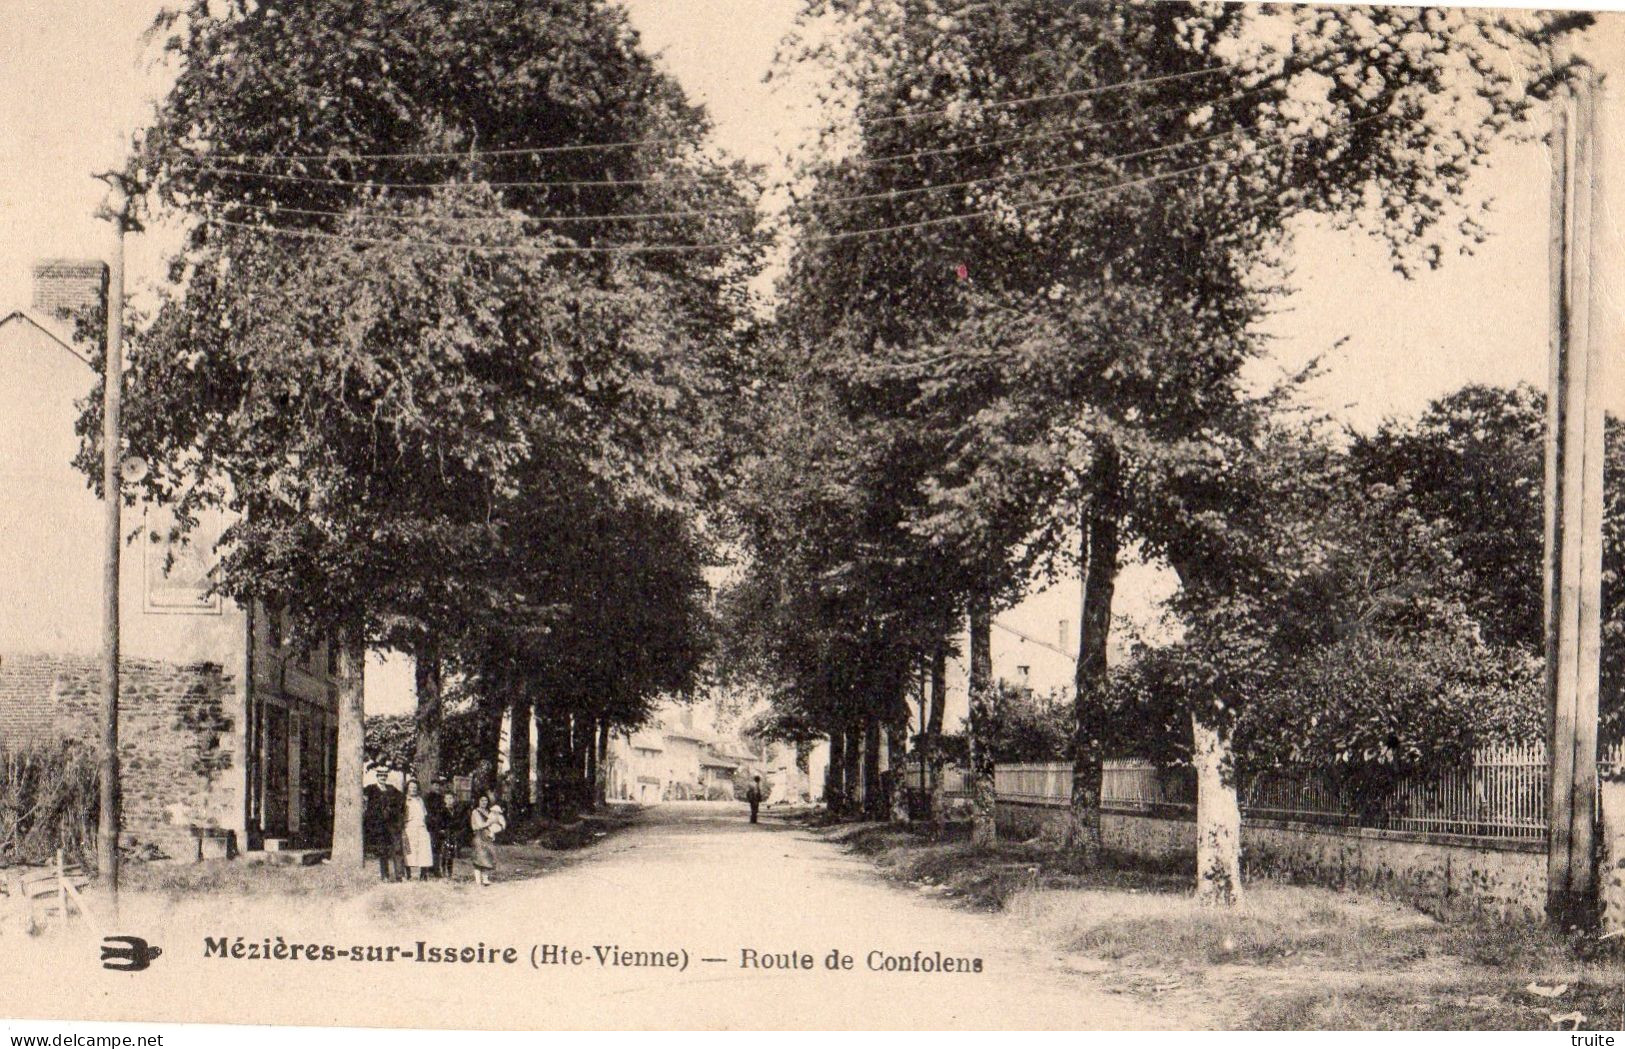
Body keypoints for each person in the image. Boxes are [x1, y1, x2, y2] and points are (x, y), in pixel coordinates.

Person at [363, 767, 405, 881]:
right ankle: (385, 875)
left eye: (385, 775)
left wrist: (395, 812)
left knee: (396, 848)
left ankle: (399, 875)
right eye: (380, 775)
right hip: (378, 824)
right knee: (383, 850)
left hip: (391, 823)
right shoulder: (371, 788)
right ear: (377, 776)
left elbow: (402, 798)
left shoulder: (391, 788)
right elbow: (362, 797)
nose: (383, 777)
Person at [402, 779, 435, 880]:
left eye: (415, 788)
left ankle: (423, 874)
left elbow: (424, 814)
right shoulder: (404, 800)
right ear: (407, 788)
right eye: (411, 787)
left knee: (424, 850)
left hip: (421, 827)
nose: (413, 789)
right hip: (409, 827)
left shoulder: (420, 800)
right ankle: (408, 874)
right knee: (409, 851)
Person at [436, 787, 466, 879]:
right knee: (444, 854)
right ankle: (443, 872)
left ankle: (450, 873)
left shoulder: (456, 811)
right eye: (447, 798)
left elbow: (459, 823)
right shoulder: (441, 811)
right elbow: (439, 823)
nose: (449, 800)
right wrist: (442, 830)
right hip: (445, 835)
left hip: (453, 834)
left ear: (454, 799)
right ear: (444, 800)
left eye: (451, 798)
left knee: (451, 855)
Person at [469, 794, 497, 887]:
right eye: (482, 800)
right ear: (478, 801)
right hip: (479, 835)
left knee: (487, 857)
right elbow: (480, 825)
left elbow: (493, 825)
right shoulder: (475, 812)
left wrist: (492, 832)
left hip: (487, 836)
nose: (484, 802)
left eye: (485, 800)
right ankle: (478, 880)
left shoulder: (488, 811)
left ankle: (485, 879)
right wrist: (490, 822)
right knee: (479, 857)